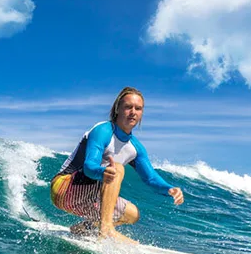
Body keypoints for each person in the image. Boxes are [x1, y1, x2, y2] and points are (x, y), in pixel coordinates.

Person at [50, 87, 184, 243]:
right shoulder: (103, 130)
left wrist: (169, 189)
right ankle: (106, 229)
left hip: (87, 198)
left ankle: (82, 229)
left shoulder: (136, 148)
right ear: (117, 109)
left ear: (141, 114)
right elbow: (89, 166)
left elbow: (151, 178)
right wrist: (103, 172)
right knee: (117, 168)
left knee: (132, 214)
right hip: (63, 189)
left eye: (138, 108)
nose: (133, 112)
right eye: (128, 107)